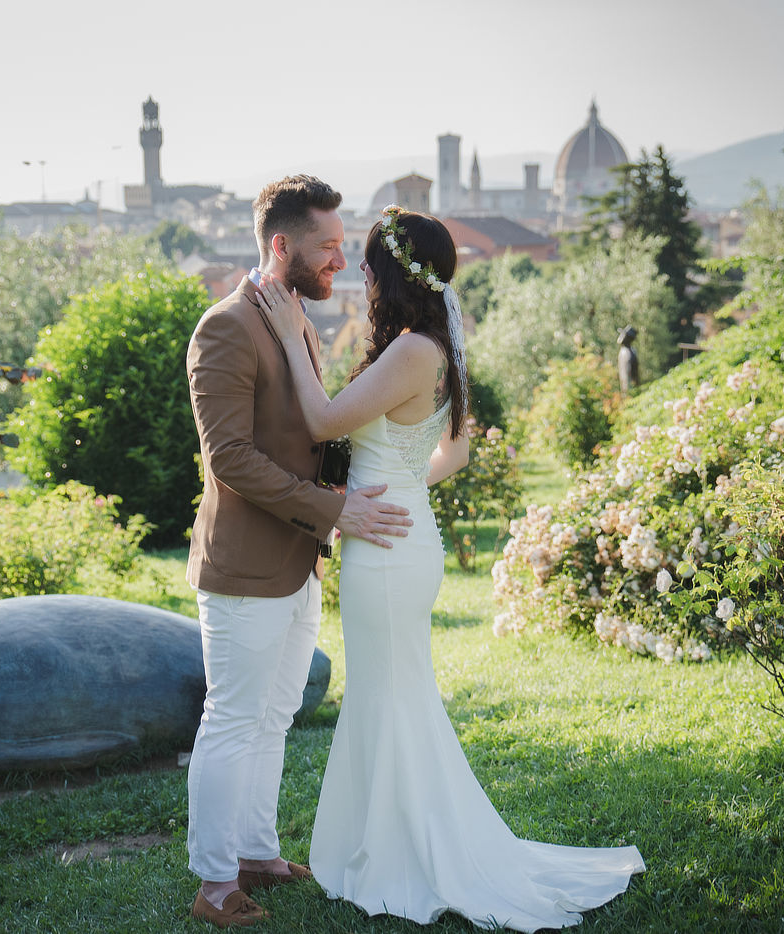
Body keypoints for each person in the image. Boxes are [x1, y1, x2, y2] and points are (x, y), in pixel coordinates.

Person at [258, 206, 645, 931]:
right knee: (393, 691)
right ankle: (390, 841)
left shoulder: (409, 352)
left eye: (369, 263)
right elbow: (454, 454)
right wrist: (395, 486)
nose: (361, 274)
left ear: (393, 273)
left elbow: (320, 421)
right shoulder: (437, 344)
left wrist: (289, 335)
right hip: (402, 534)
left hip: (389, 547)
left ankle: (408, 854)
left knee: (389, 694)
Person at [183, 175, 413, 928]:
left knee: (275, 714)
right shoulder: (226, 327)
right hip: (247, 562)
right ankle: (216, 882)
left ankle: (256, 852)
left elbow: (307, 429)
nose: (338, 264)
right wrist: (337, 509)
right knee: (233, 717)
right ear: (280, 245)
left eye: (343, 249)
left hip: (297, 559)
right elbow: (232, 460)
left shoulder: (294, 321)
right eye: (327, 249)